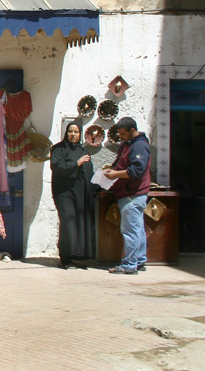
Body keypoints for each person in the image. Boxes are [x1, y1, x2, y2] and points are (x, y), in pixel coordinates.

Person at [102, 117, 152, 275]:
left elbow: (137, 170)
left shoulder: (139, 146)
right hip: (129, 193)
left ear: (132, 130)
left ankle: (129, 264)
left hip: (132, 194)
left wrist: (116, 174)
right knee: (137, 228)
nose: (121, 137)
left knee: (130, 230)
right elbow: (122, 163)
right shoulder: (127, 144)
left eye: (123, 134)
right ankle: (139, 260)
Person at [50, 120, 95, 269]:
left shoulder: (83, 150)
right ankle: (66, 258)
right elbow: (57, 167)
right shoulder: (58, 149)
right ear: (66, 133)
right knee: (68, 221)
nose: (73, 134)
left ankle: (78, 255)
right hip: (64, 193)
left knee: (79, 222)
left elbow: (89, 172)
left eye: (76, 132)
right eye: (70, 131)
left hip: (80, 193)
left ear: (80, 134)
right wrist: (76, 163)